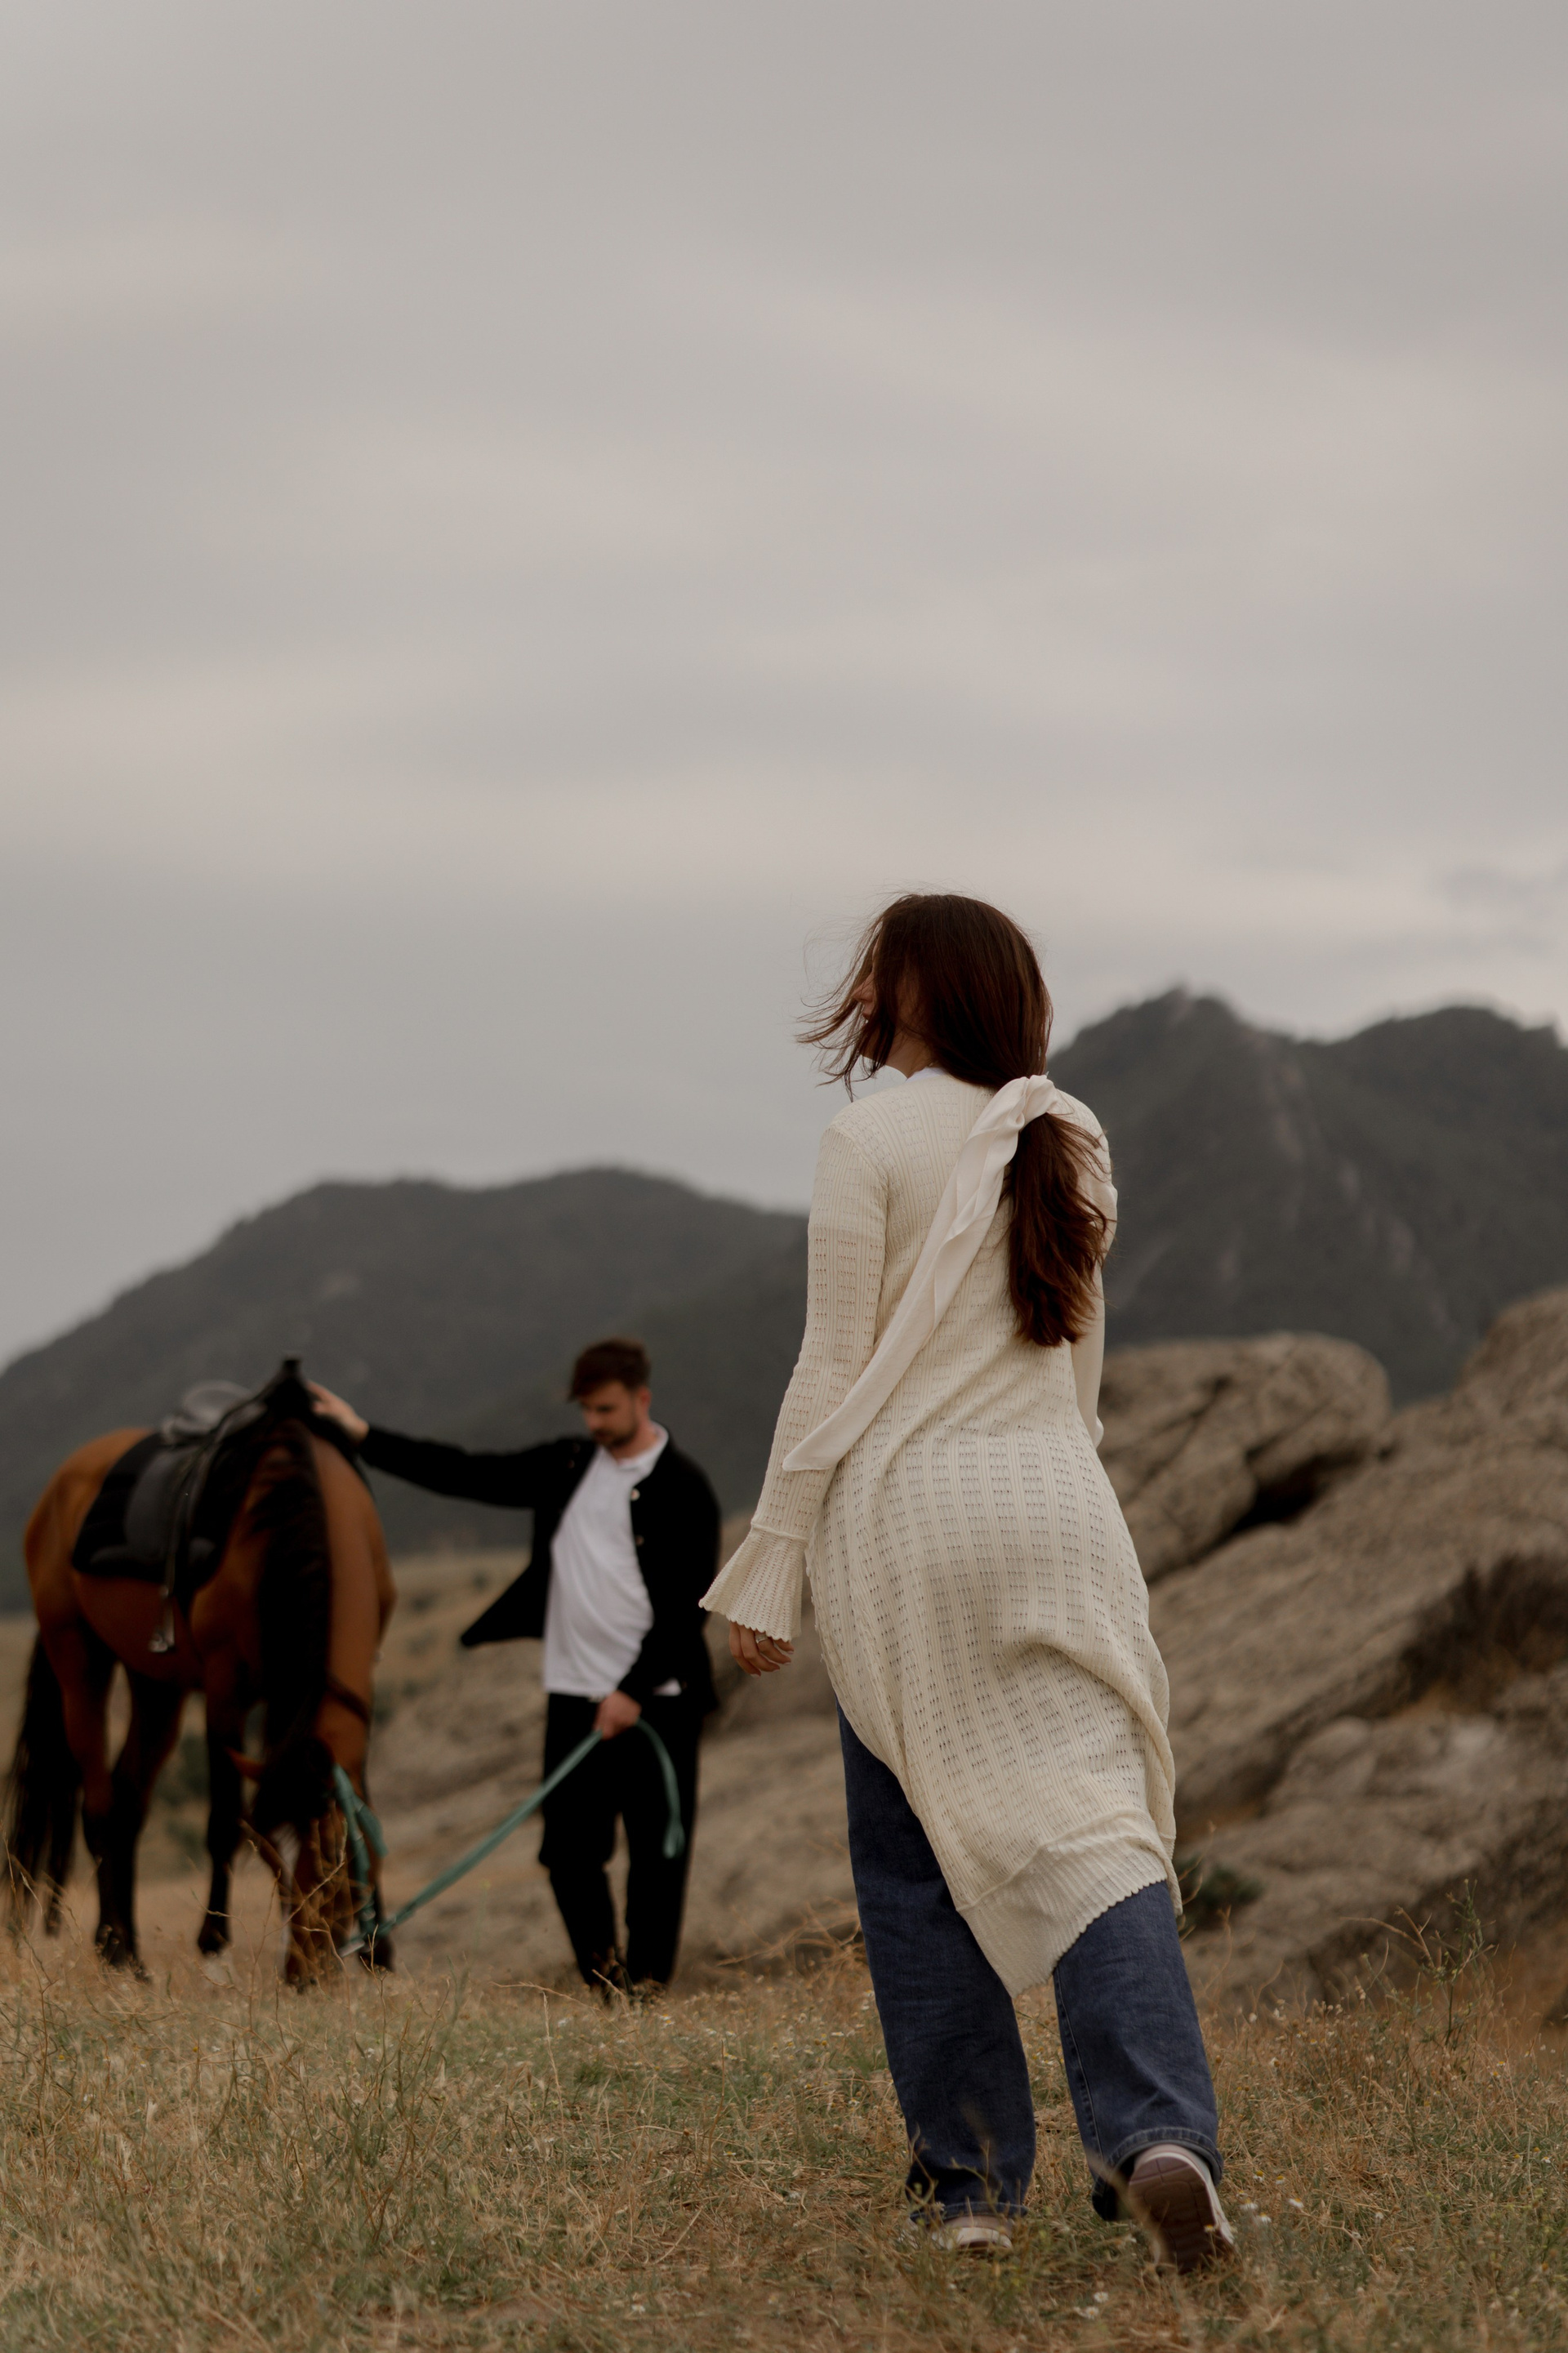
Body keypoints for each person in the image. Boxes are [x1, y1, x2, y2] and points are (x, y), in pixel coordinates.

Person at [703, 894, 1230, 2271]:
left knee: (913, 1854)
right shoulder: (1073, 1133)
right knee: (1103, 1828)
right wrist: (1055, 1472)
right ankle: (1161, 2137)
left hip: (909, 1522)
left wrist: (772, 1559)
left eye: (879, 973)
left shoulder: (869, 1139)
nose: (862, 993)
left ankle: (975, 2192)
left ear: (923, 993)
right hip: (1059, 1504)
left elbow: (832, 1366)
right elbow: (1079, 1361)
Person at [310, 1338, 719, 1993]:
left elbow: (689, 1605)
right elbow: (466, 1472)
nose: (594, 1422)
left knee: (657, 1855)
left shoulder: (685, 1486)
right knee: (568, 1855)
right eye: (587, 1409)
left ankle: (647, 1992)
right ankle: (606, 1986)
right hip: (575, 1696)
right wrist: (363, 1434)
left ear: (642, 1398)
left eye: (607, 1409)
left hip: (656, 1704)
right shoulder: (568, 1464)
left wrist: (632, 1689)